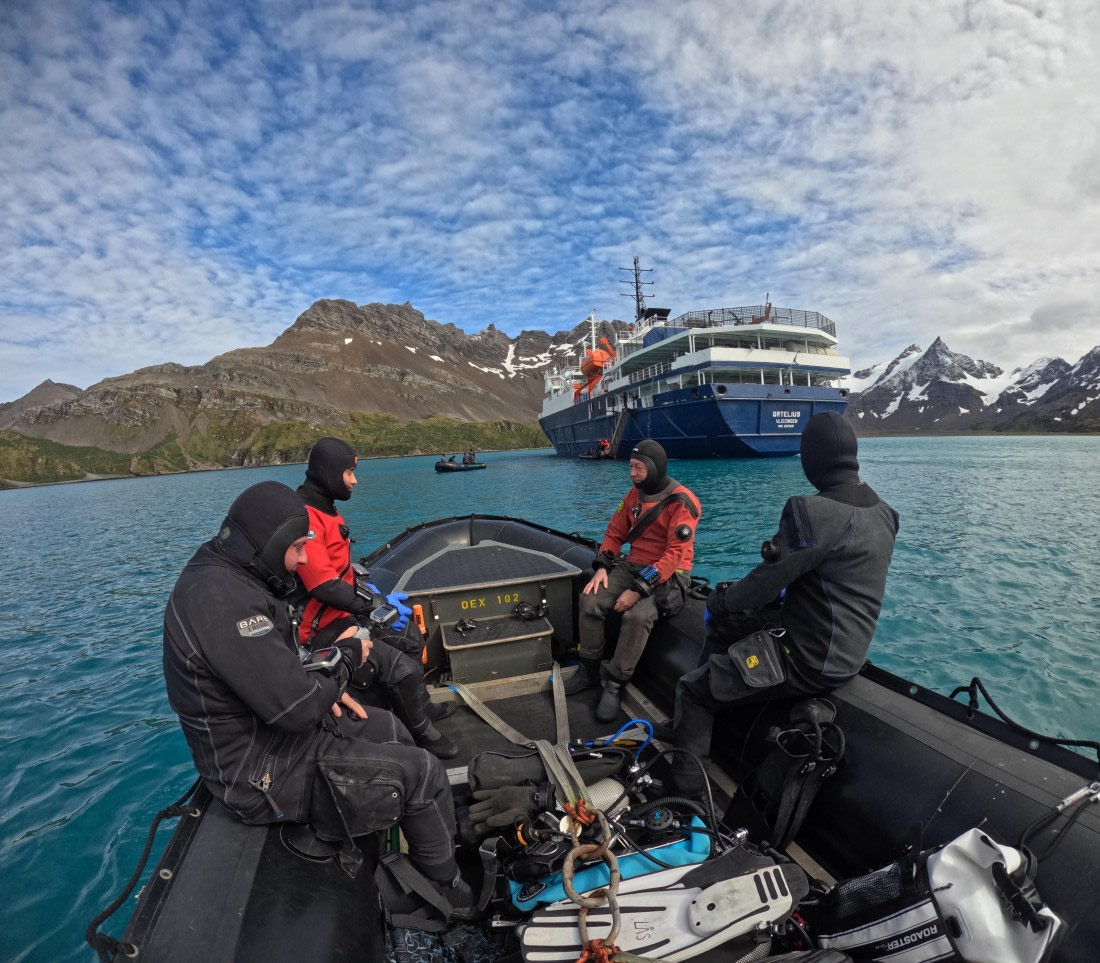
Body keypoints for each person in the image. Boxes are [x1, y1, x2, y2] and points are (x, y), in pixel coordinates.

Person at [162, 481, 473, 907]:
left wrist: (323, 686)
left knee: (389, 728)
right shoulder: (220, 600)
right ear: (268, 546)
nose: (304, 558)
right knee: (421, 771)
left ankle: (431, 836)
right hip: (259, 772)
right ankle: (447, 889)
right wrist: (343, 659)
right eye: (296, 548)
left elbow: (273, 674)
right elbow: (296, 710)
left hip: (275, 734)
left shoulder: (234, 575)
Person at [666, 411, 900, 793]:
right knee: (731, 623)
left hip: (806, 659)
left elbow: (762, 587)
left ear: (812, 459)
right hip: (848, 654)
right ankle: (710, 714)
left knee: (692, 689)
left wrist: (722, 599)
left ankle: (685, 793)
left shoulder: (813, 512)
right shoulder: (885, 513)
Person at [294, 437, 458, 759]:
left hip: (343, 612)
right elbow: (324, 585)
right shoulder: (308, 518)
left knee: (411, 635)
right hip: (318, 628)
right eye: (349, 473)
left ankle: (421, 707)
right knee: (399, 667)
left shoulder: (327, 509)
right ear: (329, 473)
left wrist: (373, 602)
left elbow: (344, 574)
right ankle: (420, 731)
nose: (355, 480)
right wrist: (371, 607)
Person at [566, 439, 701, 722]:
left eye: (639, 468)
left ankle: (615, 683)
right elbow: (615, 532)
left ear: (655, 467)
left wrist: (639, 589)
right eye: (631, 466)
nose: (633, 473)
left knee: (637, 617)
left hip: (669, 573)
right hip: (634, 564)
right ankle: (589, 670)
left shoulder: (682, 502)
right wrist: (602, 566)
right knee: (590, 599)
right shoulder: (633, 496)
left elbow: (675, 554)